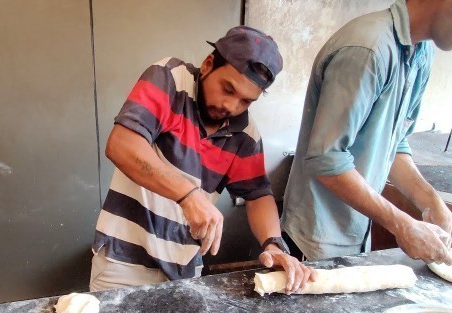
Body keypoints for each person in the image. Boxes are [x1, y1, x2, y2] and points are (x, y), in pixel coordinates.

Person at [90, 26, 316, 294]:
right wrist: (189, 195)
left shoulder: (244, 133)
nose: (231, 106)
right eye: (228, 89)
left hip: (185, 269)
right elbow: (122, 144)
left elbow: (257, 194)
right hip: (123, 262)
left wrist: (273, 245)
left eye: (246, 101)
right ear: (208, 65)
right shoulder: (171, 80)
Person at [281, 0, 452, 263]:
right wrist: (402, 225)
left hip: (356, 232)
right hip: (315, 240)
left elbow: (395, 145)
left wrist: (432, 203)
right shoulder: (367, 49)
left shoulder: (422, 53)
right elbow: (327, 160)